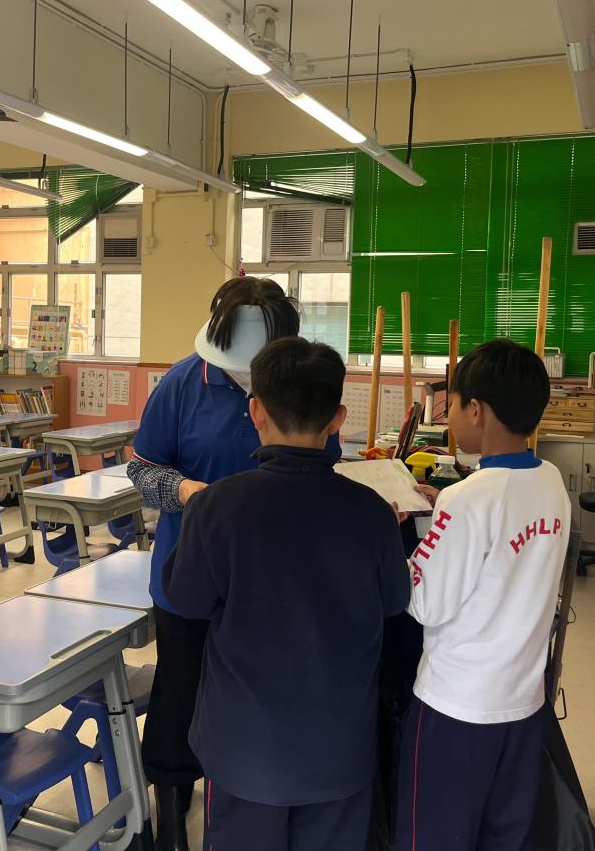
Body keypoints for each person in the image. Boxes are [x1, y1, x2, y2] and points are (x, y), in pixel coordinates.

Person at [159, 337, 411, 851]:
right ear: (338, 419)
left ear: (255, 411)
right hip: (340, 750)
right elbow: (394, 603)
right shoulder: (372, 513)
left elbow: (186, 601)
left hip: (243, 749)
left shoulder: (217, 507)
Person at [128, 276, 338, 850]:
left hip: (275, 578)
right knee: (181, 689)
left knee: (257, 692)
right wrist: (186, 491)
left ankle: (249, 794)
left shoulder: (298, 383)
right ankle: (171, 805)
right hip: (192, 572)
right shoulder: (182, 383)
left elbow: (322, 460)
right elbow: (143, 469)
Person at [396, 338, 572, 851]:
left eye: (450, 405)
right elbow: (504, 542)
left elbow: (425, 602)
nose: (449, 416)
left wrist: (397, 541)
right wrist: (443, 512)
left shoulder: (467, 498)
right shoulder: (551, 481)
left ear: (476, 409)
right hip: (521, 702)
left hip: (455, 707)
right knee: (503, 834)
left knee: (434, 835)